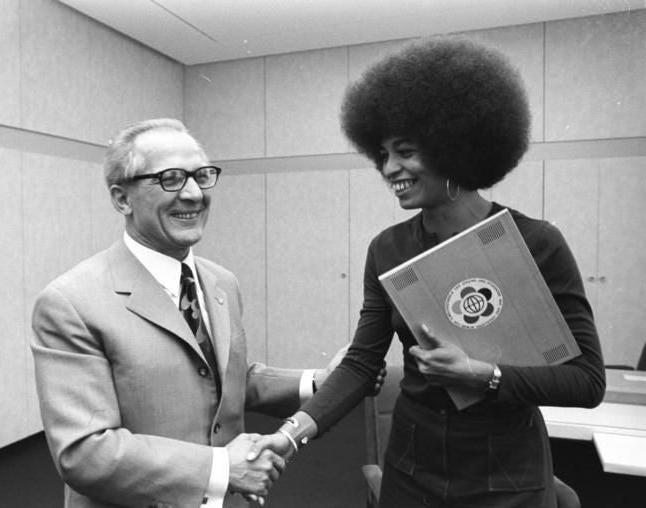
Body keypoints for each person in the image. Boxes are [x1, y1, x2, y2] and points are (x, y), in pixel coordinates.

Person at [249, 37, 605, 508]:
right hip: (412, 471)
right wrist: (290, 435)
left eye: (406, 152)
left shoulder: (536, 243)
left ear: (453, 148)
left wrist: (485, 375)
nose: (389, 168)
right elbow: (361, 363)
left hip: (508, 475)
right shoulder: (388, 248)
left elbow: (586, 381)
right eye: (383, 155)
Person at [31, 118, 374, 508]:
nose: (194, 194)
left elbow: (225, 379)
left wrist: (320, 381)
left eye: (201, 176)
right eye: (171, 179)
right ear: (121, 199)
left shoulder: (220, 281)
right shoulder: (71, 302)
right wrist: (221, 469)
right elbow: (85, 452)